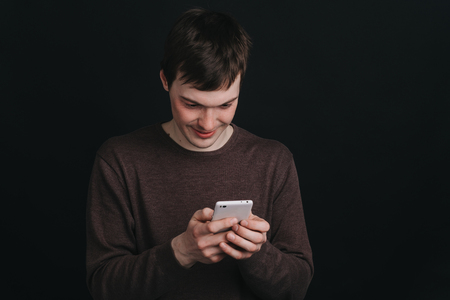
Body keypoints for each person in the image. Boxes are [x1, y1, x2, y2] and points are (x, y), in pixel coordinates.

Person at [86, 8, 313, 300]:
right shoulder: (119, 161)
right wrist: (181, 251)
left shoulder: (274, 161)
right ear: (166, 81)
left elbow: (297, 288)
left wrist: (255, 253)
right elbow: (104, 288)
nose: (208, 124)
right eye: (192, 105)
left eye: (225, 105)